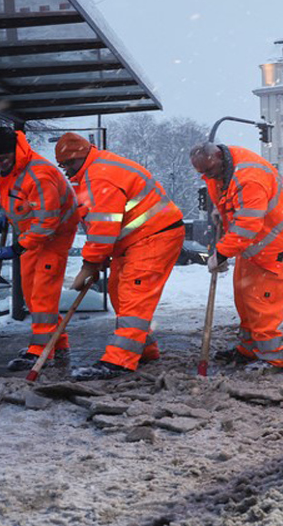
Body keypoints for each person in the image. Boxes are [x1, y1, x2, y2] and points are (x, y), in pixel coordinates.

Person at [54, 133, 185, 380]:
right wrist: (99, 258)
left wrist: (90, 264)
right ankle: (143, 348)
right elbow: (106, 223)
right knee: (118, 292)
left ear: (83, 156)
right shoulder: (94, 171)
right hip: (137, 239)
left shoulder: (100, 176)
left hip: (154, 236)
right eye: (63, 166)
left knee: (134, 296)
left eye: (70, 164)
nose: (68, 171)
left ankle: (120, 360)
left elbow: (104, 226)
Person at [190, 142, 283, 373]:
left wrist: (221, 253)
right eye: (203, 173)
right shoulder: (223, 169)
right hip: (255, 243)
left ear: (218, 157)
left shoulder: (249, 178)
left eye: (209, 171)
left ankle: (271, 359)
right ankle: (249, 348)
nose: (208, 176)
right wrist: (222, 211)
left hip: (275, 243)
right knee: (244, 296)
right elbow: (235, 203)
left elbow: (247, 225)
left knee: (261, 301)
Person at [0, 126, 79, 373]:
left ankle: (40, 351)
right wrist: (7, 215)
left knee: (43, 293)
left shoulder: (39, 174)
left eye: (4, 159)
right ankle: (59, 345)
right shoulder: (6, 169)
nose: (0, 164)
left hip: (55, 236)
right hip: (32, 235)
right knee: (31, 292)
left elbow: (47, 222)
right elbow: (16, 197)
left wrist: (16, 247)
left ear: (15, 152)